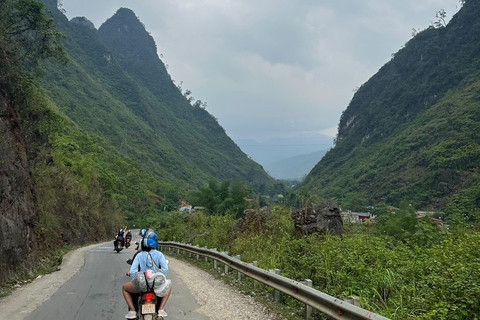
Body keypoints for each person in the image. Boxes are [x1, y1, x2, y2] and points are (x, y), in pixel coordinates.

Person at [123, 232, 172, 319]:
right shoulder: (159, 255)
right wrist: (160, 279)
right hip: (155, 286)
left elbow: (133, 271)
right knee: (168, 287)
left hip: (141, 285)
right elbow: (165, 269)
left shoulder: (139, 255)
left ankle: (133, 311)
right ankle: (160, 310)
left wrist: (135, 281)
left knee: (124, 288)